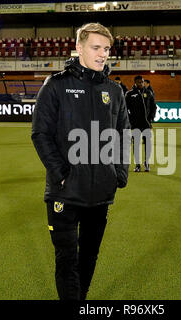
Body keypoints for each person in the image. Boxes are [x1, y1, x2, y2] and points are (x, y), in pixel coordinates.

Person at [31, 23, 131, 301]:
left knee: (88, 257)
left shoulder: (114, 90)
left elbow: (123, 134)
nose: (102, 54)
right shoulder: (56, 85)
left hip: (101, 194)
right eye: (96, 47)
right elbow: (40, 134)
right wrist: (61, 173)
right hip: (64, 193)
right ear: (78, 48)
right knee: (66, 260)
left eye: (107, 49)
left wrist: (118, 173)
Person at [125, 75, 156, 172]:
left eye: (142, 82)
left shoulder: (148, 93)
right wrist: (130, 121)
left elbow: (153, 107)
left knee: (147, 144)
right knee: (136, 144)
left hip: (146, 124)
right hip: (135, 124)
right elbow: (125, 109)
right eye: (139, 82)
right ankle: (137, 164)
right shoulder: (129, 94)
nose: (141, 84)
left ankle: (146, 163)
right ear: (135, 83)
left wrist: (151, 119)